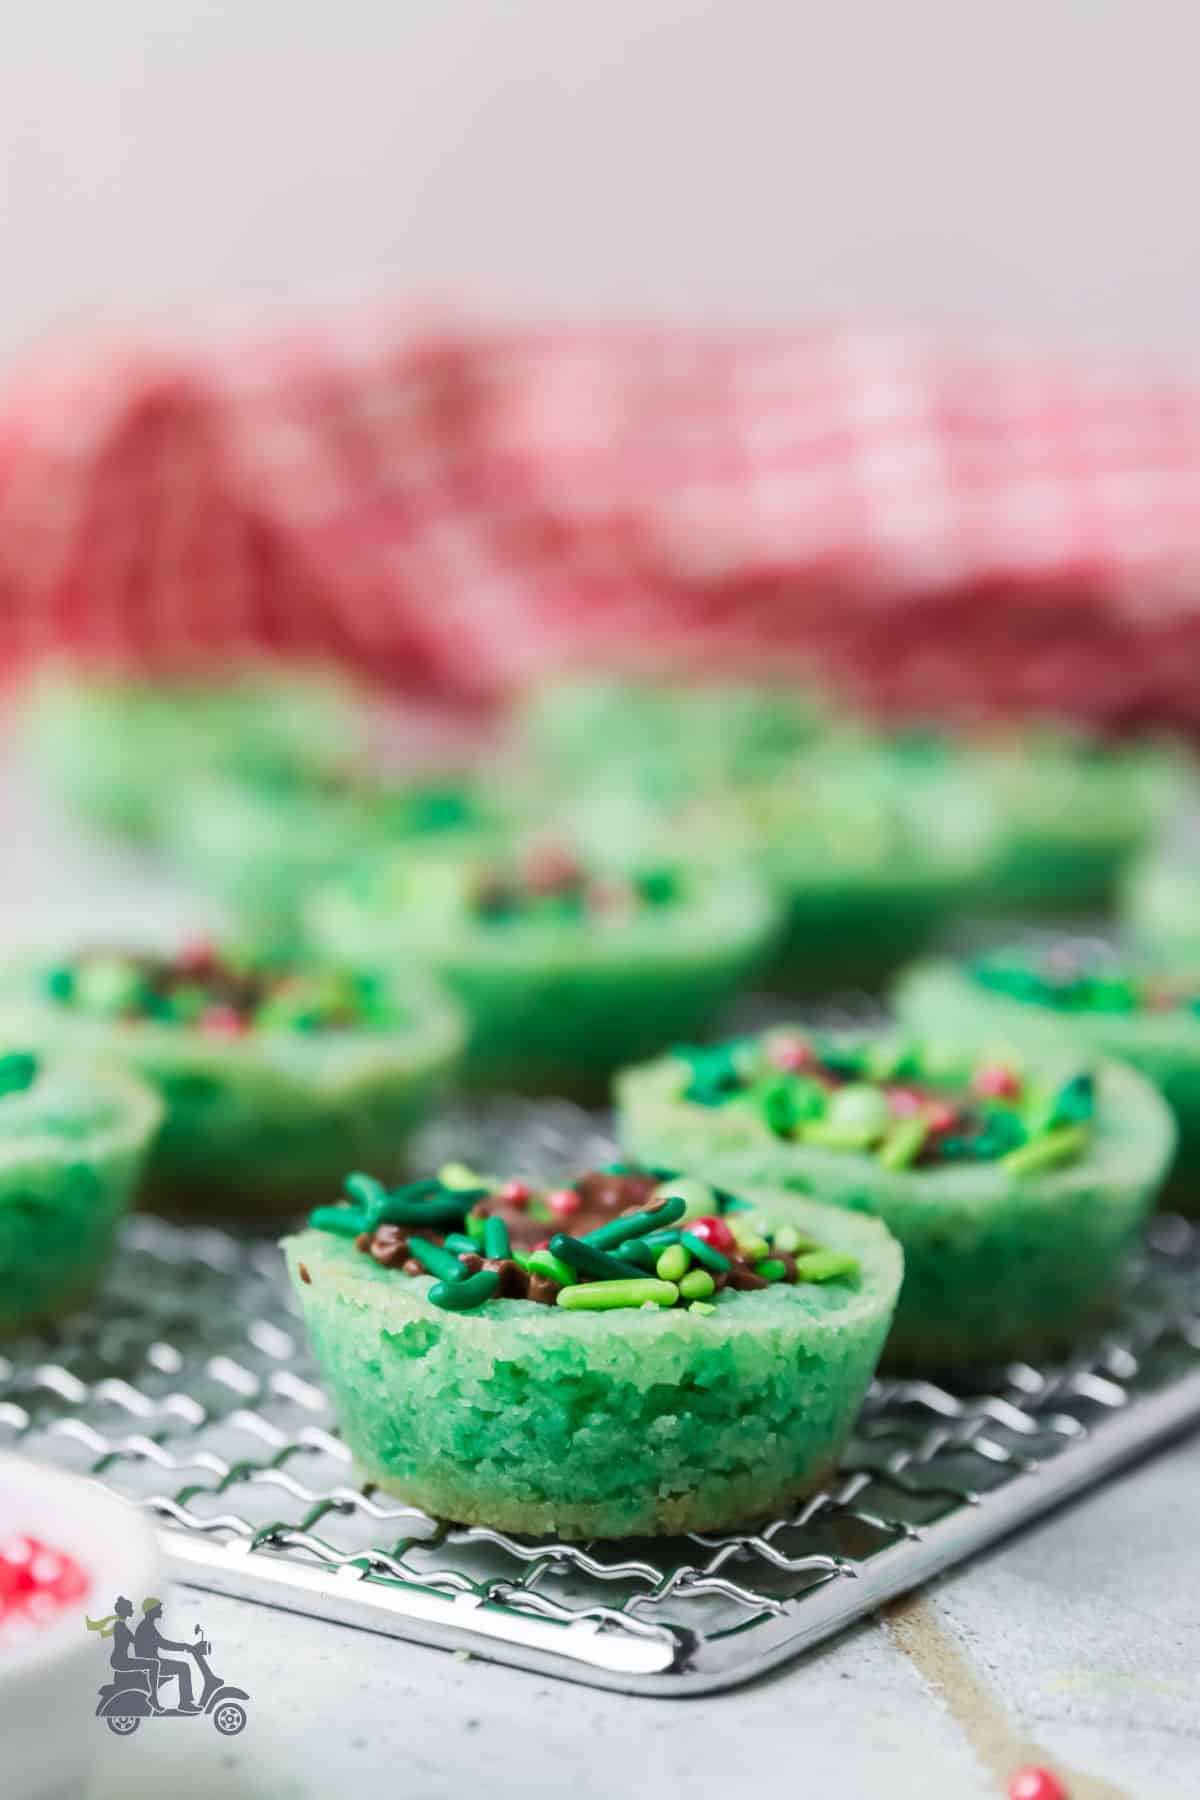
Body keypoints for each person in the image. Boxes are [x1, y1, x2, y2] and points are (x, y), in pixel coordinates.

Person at [86, 1595, 167, 1711]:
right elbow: (134, 1641)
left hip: (119, 1659)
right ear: (124, 1611)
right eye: (130, 1608)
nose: (132, 1610)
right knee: (154, 1664)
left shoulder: (121, 1625)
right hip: (121, 1661)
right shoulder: (120, 1626)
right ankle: (153, 1697)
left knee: (151, 1664)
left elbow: (135, 1641)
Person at [133, 1596, 200, 1713]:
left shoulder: (147, 1625)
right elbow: (164, 1644)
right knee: (183, 1667)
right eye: (158, 1608)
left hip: (152, 1661)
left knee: (182, 1666)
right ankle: (185, 1703)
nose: (161, 1610)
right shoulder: (147, 1627)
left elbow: (162, 1643)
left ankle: (184, 1702)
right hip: (151, 1663)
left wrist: (185, 1647)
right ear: (151, 1611)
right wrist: (185, 1646)